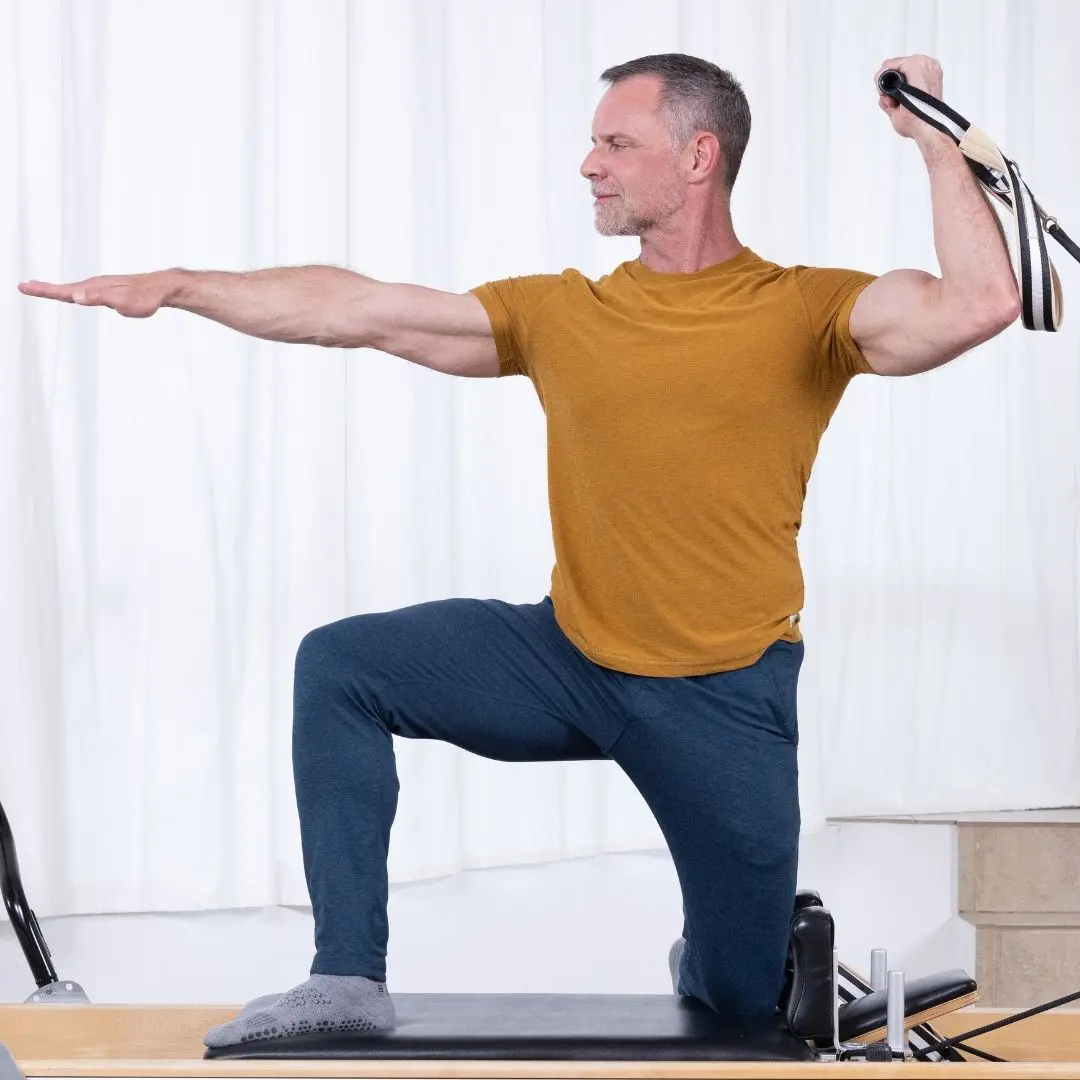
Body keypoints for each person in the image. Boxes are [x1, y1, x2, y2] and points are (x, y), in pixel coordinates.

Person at [18, 52, 1019, 1047]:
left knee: (740, 1005)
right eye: (593, 144)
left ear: (700, 156)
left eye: (616, 143)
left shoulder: (806, 309)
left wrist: (935, 140)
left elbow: (975, 303)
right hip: (569, 660)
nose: (590, 164)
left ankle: (740, 950)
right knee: (344, 664)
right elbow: (355, 310)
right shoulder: (563, 314)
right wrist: (182, 286)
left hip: (724, 697)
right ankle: (346, 975)